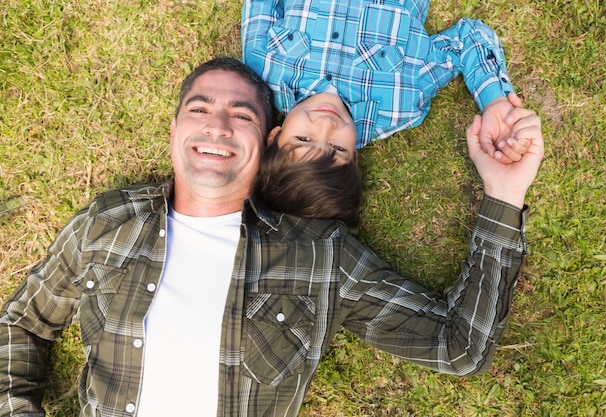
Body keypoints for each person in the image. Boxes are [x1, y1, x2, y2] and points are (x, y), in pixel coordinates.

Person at [0, 56, 544, 417]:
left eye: (241, 116)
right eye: (199, 109)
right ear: (175, 131)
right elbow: (23, 323)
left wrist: (503, 194)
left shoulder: (318, 256)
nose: (217, 125)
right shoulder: (108, 221)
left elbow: (460, 346)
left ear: (267, 145)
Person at [241, 0, 529, 163]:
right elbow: (467, 38)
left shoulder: (261, 69)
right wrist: (494, 100)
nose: (326, 126)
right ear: (354, 158)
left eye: (303, 139)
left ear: (274, 136)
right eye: (338, 148)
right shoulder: (399, 104)